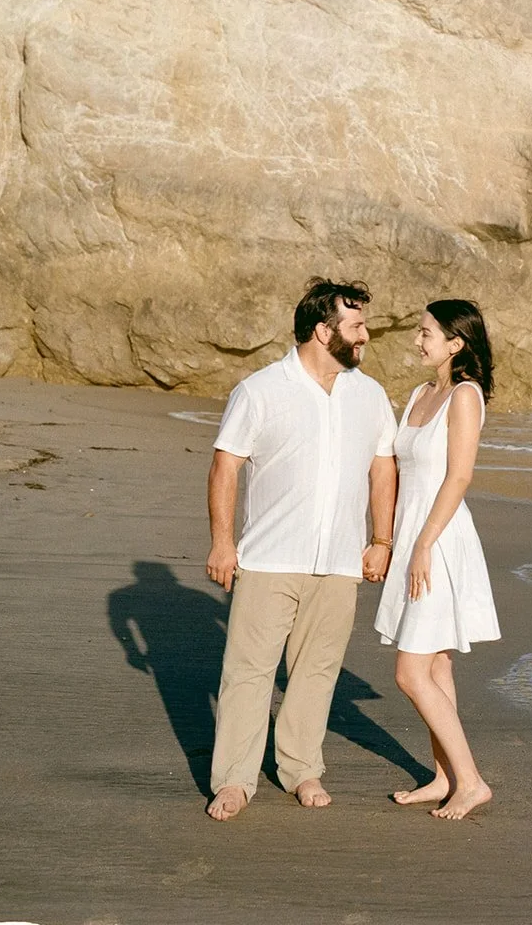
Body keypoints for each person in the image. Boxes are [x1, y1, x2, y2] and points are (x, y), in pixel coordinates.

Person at [204, 277, 398, 821]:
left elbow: (383, 467)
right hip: (269, 559)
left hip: (339, 563)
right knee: (248, 672)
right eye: (356, 325)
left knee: (318, 670)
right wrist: (223, 543)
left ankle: (300, 767)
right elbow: (226, 466)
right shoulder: (260, 390)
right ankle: (235, 780)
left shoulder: (371, 395)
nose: (366, 335)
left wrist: (381, 540)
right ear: (322, 329)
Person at [374, 299, 501, 819]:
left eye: (426, 332)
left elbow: (459, 477)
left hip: (440, 541)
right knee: (437, 665)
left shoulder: (465, 397)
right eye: (418, 331)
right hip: (412, 538)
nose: (417, 340)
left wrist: (424, 544)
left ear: (456, 342)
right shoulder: (419, 395)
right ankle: (445, 776)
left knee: (410, 672)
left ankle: (471, 781)